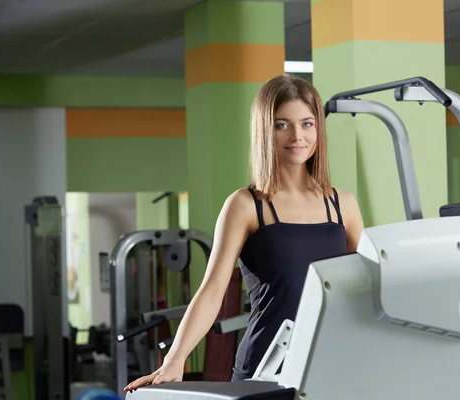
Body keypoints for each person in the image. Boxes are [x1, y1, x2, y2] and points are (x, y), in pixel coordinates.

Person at [125, 74, 364, 392]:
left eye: (307, 124)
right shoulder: (246, 205)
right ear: (265, 130)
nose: (297, 135)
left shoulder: (342, 205)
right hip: (266, 367)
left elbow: (368, 287)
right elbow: (212, 291)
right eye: (282, 125)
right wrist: (175, 359)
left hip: (331, 363)